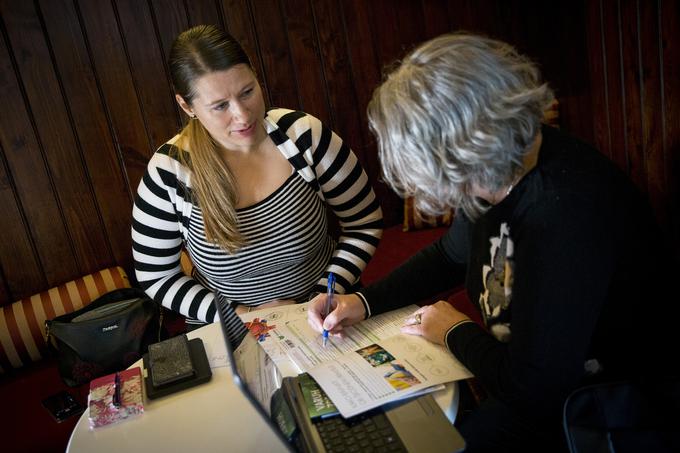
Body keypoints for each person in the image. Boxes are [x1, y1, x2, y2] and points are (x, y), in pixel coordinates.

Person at [308, 33, 675, 451]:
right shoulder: (496, 169)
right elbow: (449, 254)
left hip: (604, 404)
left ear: (475, 144)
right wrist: (362, 302)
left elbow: (535, 389)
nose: (451, 192)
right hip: (532, 381)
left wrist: (453, 329)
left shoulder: (566, 211)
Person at [132, 24, 382, 346]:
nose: (242, 115)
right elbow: (156, 276)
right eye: (220, 106)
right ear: (187, 106)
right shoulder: (169, 172)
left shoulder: (302, 136)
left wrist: (320, 298)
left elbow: (364, 222)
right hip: (232, 333)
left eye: (247, 91)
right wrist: (244, 313)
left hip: (329, 314)